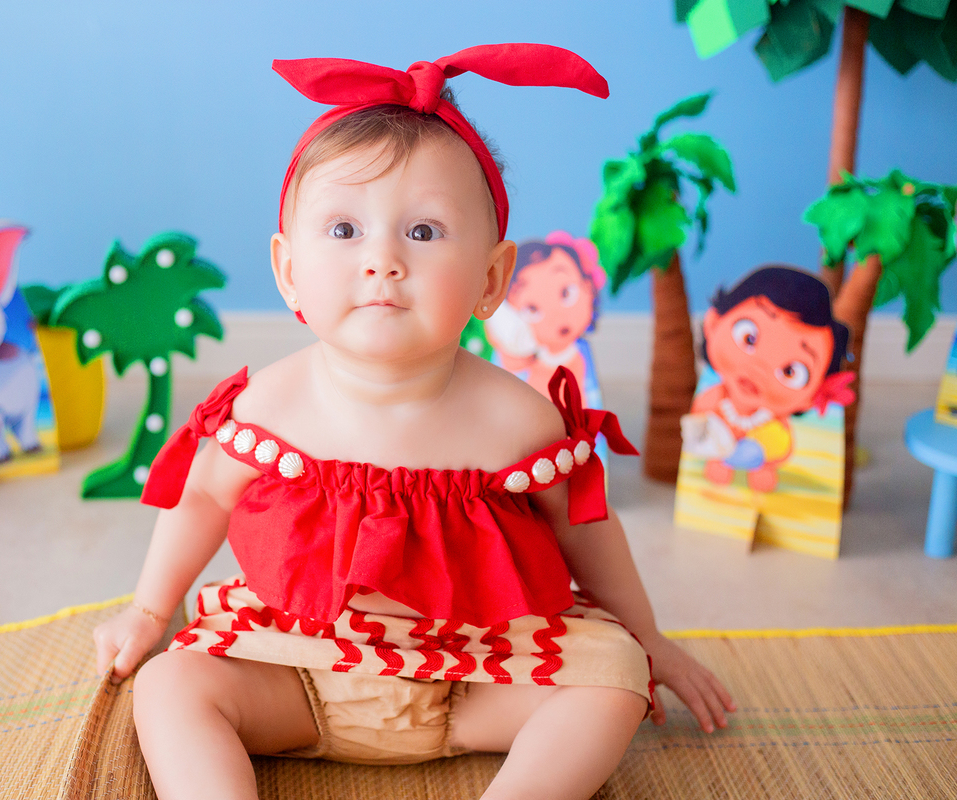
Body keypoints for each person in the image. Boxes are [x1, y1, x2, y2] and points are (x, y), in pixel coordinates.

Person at [93, 45, 735, 800]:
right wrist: (147, 609)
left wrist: (649, 636)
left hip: (476, 677)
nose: (382, 261)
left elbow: (586, 526)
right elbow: (201, 499)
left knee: (616, 678)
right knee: (170, 686)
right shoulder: (266, 406)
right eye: (342, 231)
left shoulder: (516, 420)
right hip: (296, 669)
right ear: (288, 269)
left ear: (493, 278)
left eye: (423, 233)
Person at [682, 265, 854, 493]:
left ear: (813, 395)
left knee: (766, 469)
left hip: (761, 459)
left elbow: (784, 447)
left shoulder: (774, 421)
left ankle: (760, 471)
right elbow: (699, 419)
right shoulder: (715, 398)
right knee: (715, 471)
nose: (760, 368)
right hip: (717, 457)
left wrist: (766, 453)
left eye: (791, 371)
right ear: (713, 324)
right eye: (749, 338)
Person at [487, 232, 606, 403]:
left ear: (588, 287)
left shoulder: (580, 351)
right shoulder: (515, 359)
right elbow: (499, 400)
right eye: (532, 309)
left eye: (566, 293)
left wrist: (596, 428)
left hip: (576, 427)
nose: (557, 316)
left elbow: (592, 395)